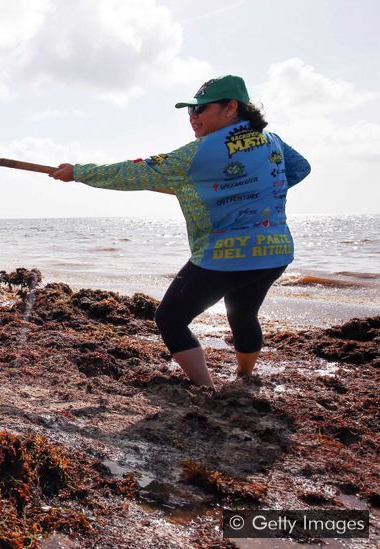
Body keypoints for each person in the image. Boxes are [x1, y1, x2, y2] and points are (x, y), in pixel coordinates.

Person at [48, 75, 311, 387]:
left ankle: (206, 388)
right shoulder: (273, 141)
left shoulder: (198, 153)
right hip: (275, 252)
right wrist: (250, 191)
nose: (193, 117)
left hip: (225, 256)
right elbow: (299, 168)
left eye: (200, 110)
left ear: (230, 108)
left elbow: (134, 172)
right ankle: (244, 376)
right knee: (242, 313)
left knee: (170, 319)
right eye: (189, 112)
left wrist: (78, 173)